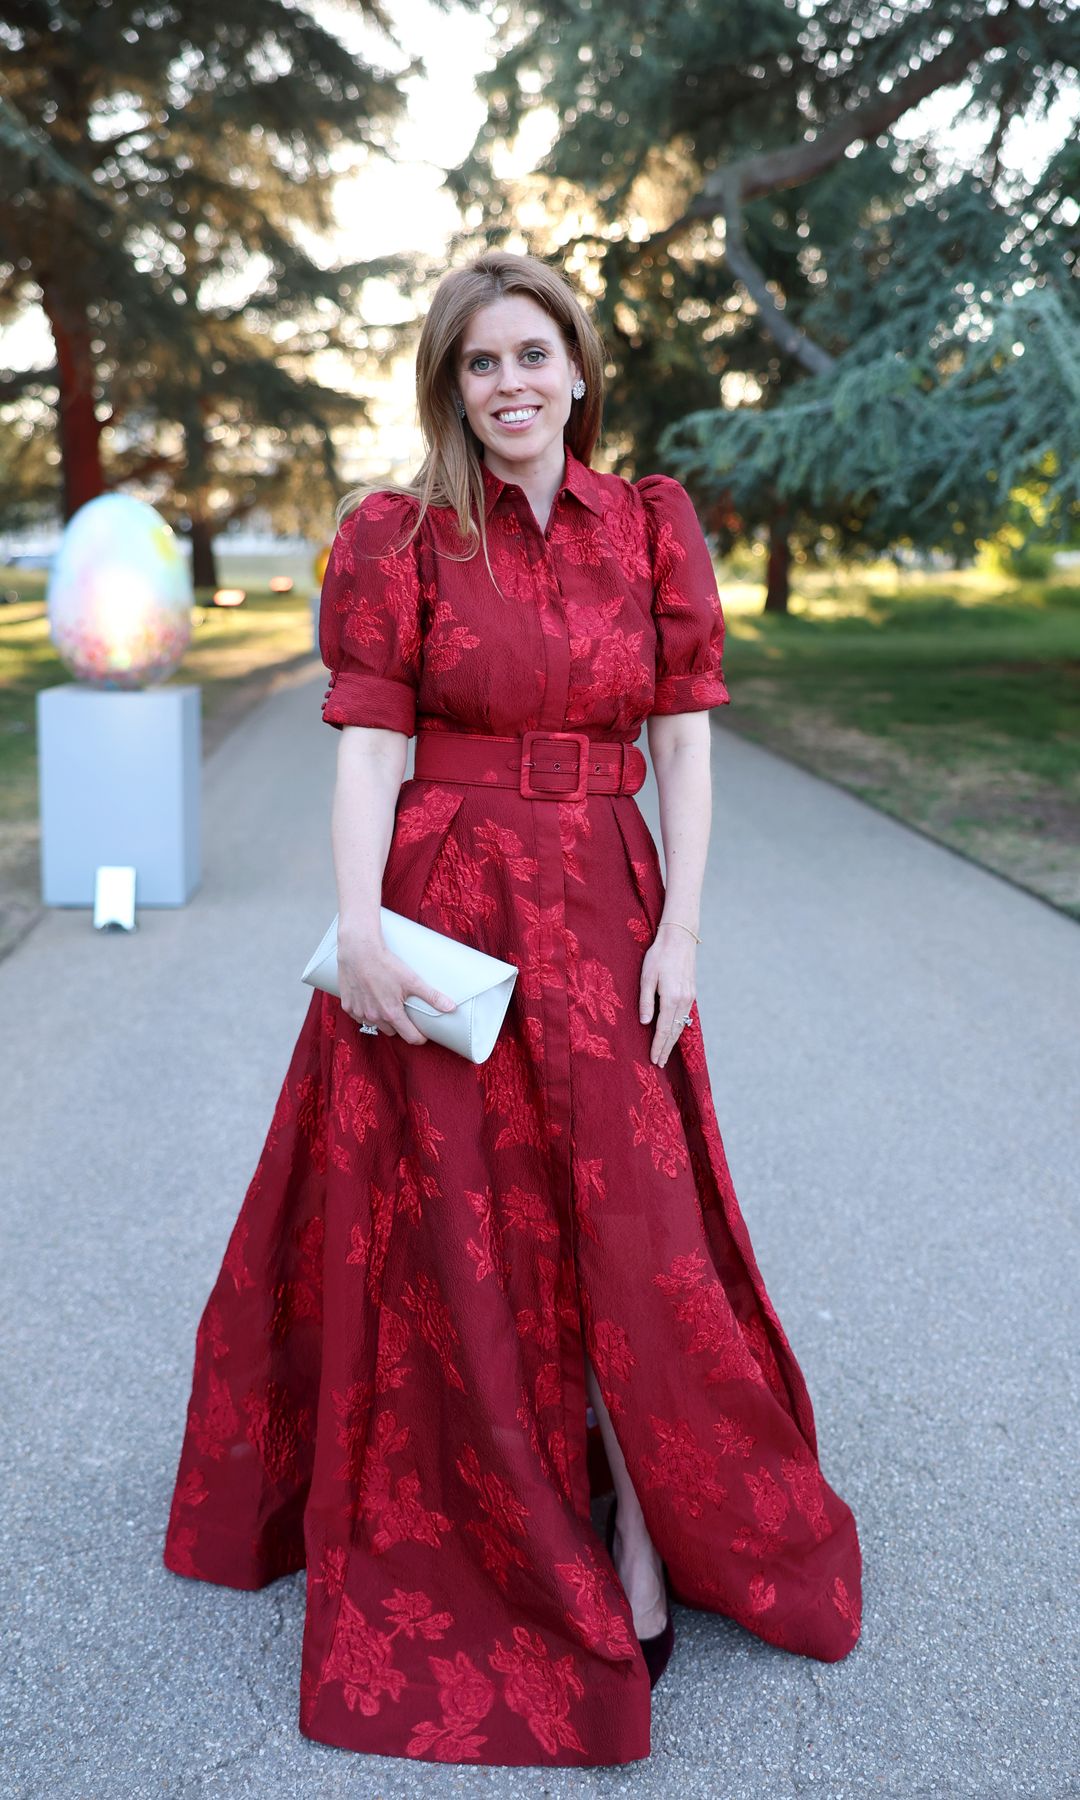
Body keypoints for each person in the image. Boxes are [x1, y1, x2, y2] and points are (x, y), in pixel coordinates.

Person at [163, 249, 862, 1768]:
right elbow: (368, 744)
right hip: (448, 903)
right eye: (480, 363)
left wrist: (683, 931)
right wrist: (361, 928)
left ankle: (647, 1528)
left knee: (631, 1225)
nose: (510, 384)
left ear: (579, 369)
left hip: (608, 906)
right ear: (451, 387)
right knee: (468, 1224)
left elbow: (683, 742)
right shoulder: (399, 537)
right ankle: (512, 1504)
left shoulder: (650, 527)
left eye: (532, 354)